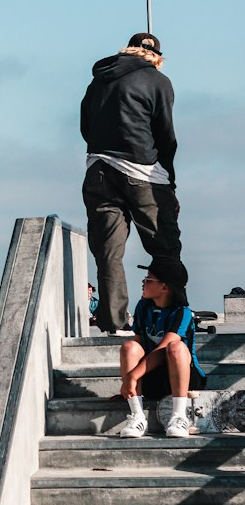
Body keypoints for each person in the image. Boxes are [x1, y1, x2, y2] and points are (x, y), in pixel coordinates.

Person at [81, 31, 181, 335]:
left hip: (98, 169)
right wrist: (171, 182)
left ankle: (115, 324)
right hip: (143, 173)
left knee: (108, 251)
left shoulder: (99, 79)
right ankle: (175, 318)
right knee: (164, 246)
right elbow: (165, 135)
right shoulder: (157, 81)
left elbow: (86, 126)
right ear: (157, 57)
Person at [116, 256, 205, 439]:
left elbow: (162, 351)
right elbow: (139, 345)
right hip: (153, 378)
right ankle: (137, 415)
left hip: (184, 377)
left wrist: (132, 376)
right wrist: (131, 379)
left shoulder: (182, 312)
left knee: (175, 347)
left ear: (164, 287)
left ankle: (179, 416)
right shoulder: (143, 307)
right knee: (130, 347)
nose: (143, 282)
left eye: (148, 280)